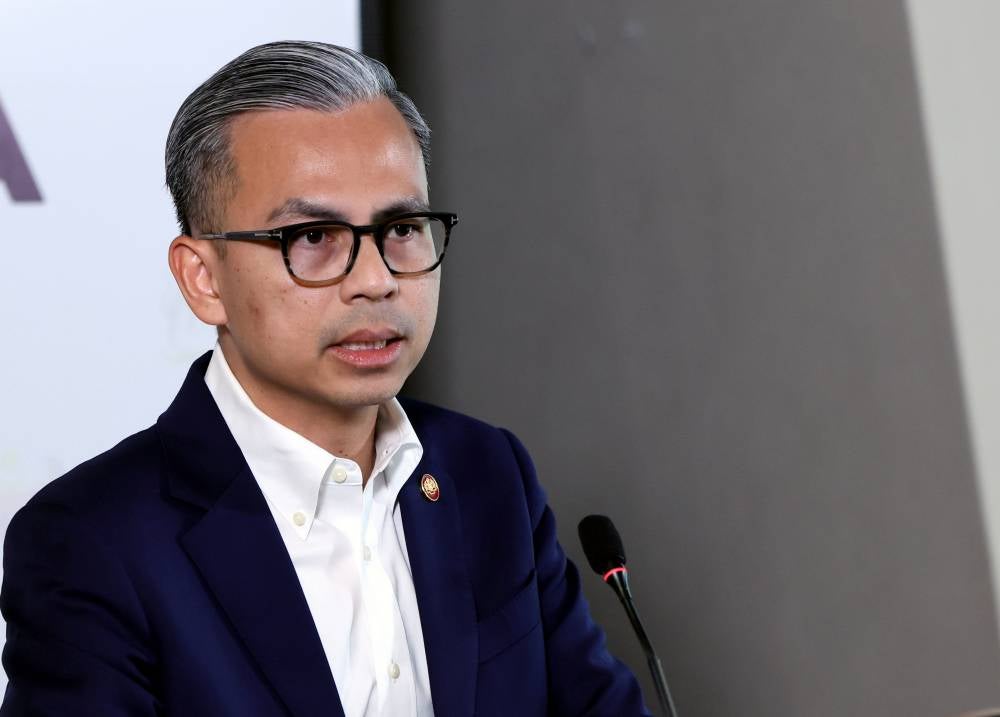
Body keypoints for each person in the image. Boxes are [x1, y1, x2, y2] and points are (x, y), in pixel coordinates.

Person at [0, 41, 649, 716]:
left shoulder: (488, 475)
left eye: (401, 227)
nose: (376, 279)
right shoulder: (93, 540)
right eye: (312, 237)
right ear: (203, 279)